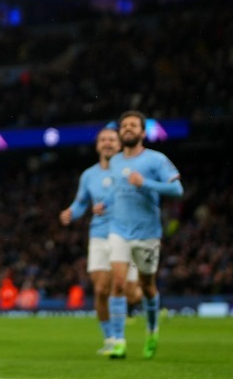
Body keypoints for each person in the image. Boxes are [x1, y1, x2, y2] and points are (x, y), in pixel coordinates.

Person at [103, 110, 183, 360]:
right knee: (117, 283)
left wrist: (146, 183)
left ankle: (152, 330)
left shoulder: (156, 160)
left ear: (142, 132)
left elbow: (177, 189)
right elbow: (116, 192)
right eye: (124, 125)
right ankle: (118, 341)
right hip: (118, 231)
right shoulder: (115, 161)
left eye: (133, 125)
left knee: (147, 286)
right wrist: (103, 204)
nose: (127, 128)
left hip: (147, 233)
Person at [58, 127, 144, 354]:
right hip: (99, 235)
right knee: (101, 289)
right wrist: (70, 212)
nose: (107, 143)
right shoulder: (88, 175)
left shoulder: (128, 169)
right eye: (103, 139)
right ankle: (112, 339)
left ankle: (145, 296)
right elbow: (81, 203)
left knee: (130, 291)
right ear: (97, 145)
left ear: (119, 144)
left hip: (126, 234)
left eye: (112, 140)